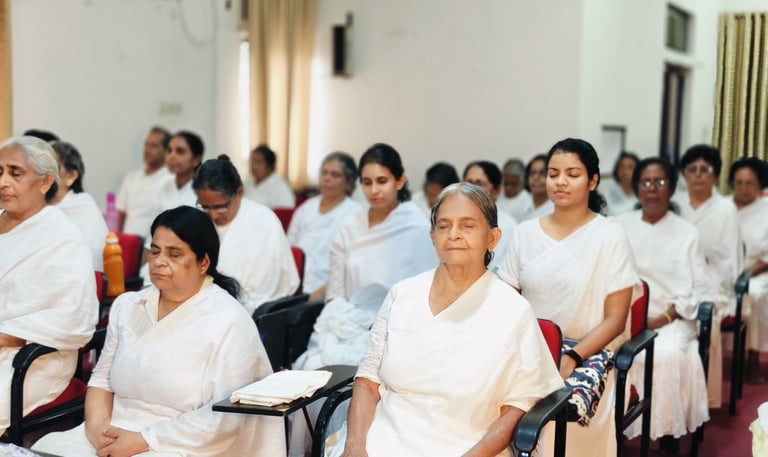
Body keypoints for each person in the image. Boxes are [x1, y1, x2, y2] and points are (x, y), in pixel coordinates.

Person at [328, 183, 564, 457]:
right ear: (432, 235)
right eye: (444, 225)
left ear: (493, 238)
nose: (454, 235)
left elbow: (518, 406)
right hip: (383, 439)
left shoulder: (512, 310)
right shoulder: (402, 295)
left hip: (465, 445)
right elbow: (368, 382)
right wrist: (355, 447)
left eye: (468, 226)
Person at [32, 206, 285, 456]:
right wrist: (99, 434)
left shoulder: (229, 321)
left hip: (181, 440)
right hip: (116, 431)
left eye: (174, 254)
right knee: (46, 447)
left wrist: (144, 439)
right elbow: (101, 380)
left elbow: (225, 420)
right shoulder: (128, 306)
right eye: (155, 251)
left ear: (203, 262)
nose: (159, 262)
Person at [497, 138, 638, 457]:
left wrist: (571, 359)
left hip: (587, 355)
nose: (560, 181)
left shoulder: (610, 235)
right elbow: (505, 304)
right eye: (553, 173)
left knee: (547, 422)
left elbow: (616, 321)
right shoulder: (524, 233)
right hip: (529, 351)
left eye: (572, 174)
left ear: (592, 181)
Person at [295, 143, 437, 370]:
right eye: (367, 182)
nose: (374, 191)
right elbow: (335, 292)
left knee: (366, 370)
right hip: (345, 320)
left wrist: (377, 326)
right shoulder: (350, 226)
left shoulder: (416, 226)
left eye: (382, 181)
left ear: (399, 181)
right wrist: (344, 320)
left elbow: (423, 294)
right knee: (313, 365)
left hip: (394, 327)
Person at [0, 136, 97, 434]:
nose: (3, 181)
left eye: (15, 173)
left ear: (44, 182)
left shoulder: (61, 236)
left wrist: (5, 336)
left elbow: (72, 317)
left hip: (32, 355)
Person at [616, 157, 709, 450]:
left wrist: (665, 317)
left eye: (659, 182)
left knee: (665, 355)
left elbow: (699, 287)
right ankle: (616, 429)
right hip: (622, 316)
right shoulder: (618, 226)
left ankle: (668, 429)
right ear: (636, 188)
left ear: (670, 188)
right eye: (645, 182)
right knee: (608, 354)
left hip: (669, 319)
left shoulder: (687, 232)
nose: (652, 189)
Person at [675, 144, 743, 408]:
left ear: (715, 174)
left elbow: (731, 257)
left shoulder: (726, 209)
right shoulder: (675, 203)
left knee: (707, 319)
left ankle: (701, 396)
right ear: (684, 175)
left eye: (705, 169)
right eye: (692, 169)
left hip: (712, 281)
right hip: (675, 279)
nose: (699, 175)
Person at [193, 155, 299, 314]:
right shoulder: (198, 219)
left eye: (221, 207)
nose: (213, 215)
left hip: (246, 311)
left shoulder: (264, 221)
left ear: (239, 193)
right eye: (205, 207)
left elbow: (260, 289)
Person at [287, 152, 361, 302]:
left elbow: (351, 269)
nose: (327, 178)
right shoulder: (306, 208)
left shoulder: (356, 215)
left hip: (325, 291)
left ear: (348, 183)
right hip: (291, 285)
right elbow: (288, 249)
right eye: (324, 173)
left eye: (335, 175)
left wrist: (322, 293)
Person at [729, 157, 768, 383]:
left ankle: (751, 361)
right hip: (720, 272)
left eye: (749, 183)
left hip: (757, 271)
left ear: (760, 185)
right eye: (739, 182)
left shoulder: (765, 210)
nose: (743, 188)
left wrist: (748, 273)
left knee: (753, 295)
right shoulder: (722, 208)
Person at [50, 140, 109, 270]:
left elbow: (81, 261)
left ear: (71, 176)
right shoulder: (41, 206)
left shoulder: (83, 207)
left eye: (53, 167)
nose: (46, 174)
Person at [116, 126, 174, 235]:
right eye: (146, 144)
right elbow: (121, 214)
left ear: (167, 150)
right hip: (128, 243)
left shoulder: (171, 180)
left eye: (153, 146)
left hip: (153, 246)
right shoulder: (131, 177)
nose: (147, 149)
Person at [462, 160, 517, 271]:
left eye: (479, 184)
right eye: (468, 183)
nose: (471, 190)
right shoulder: (453, 220)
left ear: (496, 191)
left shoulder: (508, 227)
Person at [243, 144, 295, 208]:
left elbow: (285, 212)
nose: (254, 166)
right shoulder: (248, 182)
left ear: (269, 166)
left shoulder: (280, 187)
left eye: (259, 162)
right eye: (252, 161)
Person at [161, 130, 204, 208]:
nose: (172, 156)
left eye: (180, 151)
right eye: (169, 151)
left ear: (196, 159)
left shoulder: (203, 192)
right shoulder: (164, 187)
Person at [520, 154, 554, 221]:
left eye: (542, 173)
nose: (536, 178)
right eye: (532, 173)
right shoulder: (521, 204)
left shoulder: (557, 208)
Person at [604, 151, 639, 216]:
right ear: (616, 170)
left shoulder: (643, 194)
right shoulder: (608, 195)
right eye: (622, 167)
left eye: (630, 167)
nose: (625, 171)